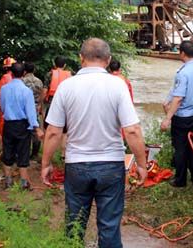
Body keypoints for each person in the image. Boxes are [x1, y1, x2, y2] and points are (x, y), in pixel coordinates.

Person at [41, 38, 147, 248]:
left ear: (81, 59)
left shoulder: (66, 87)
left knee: (75, 224)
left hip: (77, 165)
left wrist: (46, 164)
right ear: (108, 60)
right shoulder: (118, 85)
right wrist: (142, 164)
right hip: (111, 166)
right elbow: (132, 129)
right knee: (109, 227)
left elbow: (53, 132)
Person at [161, 41, 193, 187]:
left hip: (183, 117)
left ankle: (180, 180)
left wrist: (167, 118)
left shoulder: (183, 73)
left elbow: (178, 98)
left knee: (181, 148)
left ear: (182, 53)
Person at [0, 62, 42, 189]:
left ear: (11, 73)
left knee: (7, 151)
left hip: (8, 124)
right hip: (23, 125)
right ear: (23, 74)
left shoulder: (4, 89)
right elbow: (31, 112)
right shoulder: (26, 91)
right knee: (23, 151)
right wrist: (36, 128)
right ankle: (24, 182)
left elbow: (2, 106)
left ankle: (8, 180)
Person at [22, 61, 44, 160]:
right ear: (34, 70)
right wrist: (39, 105)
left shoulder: (22, 81)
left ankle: (24, 154)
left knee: (24, 131)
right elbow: (41, 95)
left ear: (24, 70)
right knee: (36, 130)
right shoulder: (39, 81)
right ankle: (34, 154)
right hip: (35, 107)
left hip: (24, 109)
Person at [0, 57, 15, 140]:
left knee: (4, 133)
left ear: (5, 68)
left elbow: (0, 96)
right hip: (17, 111)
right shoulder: (19, 78)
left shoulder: (5, 77)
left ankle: (5, 150)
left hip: (6, 110)